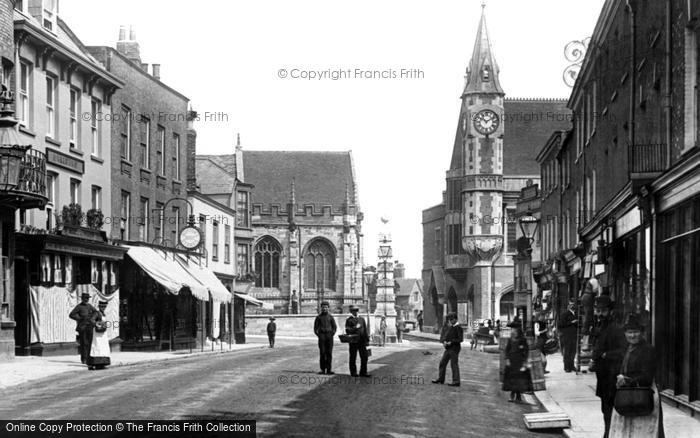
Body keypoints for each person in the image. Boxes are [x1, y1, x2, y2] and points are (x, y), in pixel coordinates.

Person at [609, 313, 664, 438]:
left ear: (641, 332)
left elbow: (648, 376)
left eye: (635, 332)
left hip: (644, 395)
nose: (632, 335)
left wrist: (627, 380)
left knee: (643, 432)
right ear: (625, 334)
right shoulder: (626, 348)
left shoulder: (648, 350)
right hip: (626, 396)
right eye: (629, 332)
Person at [590, 296, 626, 438]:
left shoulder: (616, 328)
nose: (599, 314)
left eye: (603, 311)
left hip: (613, 374)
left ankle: (610, 434)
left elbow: (623, 351)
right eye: (597, 310)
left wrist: (605, 355)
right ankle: (608, 432)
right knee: (605, 407)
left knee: (611, 406)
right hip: (603, 374)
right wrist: (594, 359)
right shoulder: (599, 326)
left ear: (610, 311)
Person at [431, 312, 463, 387]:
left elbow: (460, 339)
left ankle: (456, 381)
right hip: (448, 348)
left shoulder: (458, 327)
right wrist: (445, 341)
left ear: (455, 319)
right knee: (442, 363)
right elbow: (447, 336)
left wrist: (451, 342)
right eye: (449, 320)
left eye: (451, 319)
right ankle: (441, 379)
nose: (450, 321)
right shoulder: (452, 327)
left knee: (454, 364)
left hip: (454, 348)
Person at [502, 326, 531, 403]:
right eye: (513, 332)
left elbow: (526, 350)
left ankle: (518, 396)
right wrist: (507, 359)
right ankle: (512, 395)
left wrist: (525, 361)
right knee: (512, 379)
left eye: (515, 331)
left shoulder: (522, 340)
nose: (513, 333)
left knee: (519, 379)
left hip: (519, 361)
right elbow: (507, 350)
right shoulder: (510, 340)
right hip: (512, 361)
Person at [69, 292, 98, 365]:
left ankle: (89, 358)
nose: (86, 300)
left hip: (90, 326)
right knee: (84, 343)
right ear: (82, 299)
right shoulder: (79, 306)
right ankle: (84, 359)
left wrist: (93, 318)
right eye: (85, 298)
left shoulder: (89, 306)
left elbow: (96, 312)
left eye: (87, 298)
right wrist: (79, 318)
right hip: (83, 327)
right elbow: (71, 314)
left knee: (90, 343)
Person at [345, 305, 370, 377]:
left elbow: (365, 330)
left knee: (364, 357)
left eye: (356, 310)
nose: (355, 312)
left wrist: (367, 340)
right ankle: (353, 372)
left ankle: (363, 372)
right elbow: (347, 331)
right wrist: (355, 328)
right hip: (353, 341)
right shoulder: (349, 320)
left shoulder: (362, 319)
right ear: (351, 312)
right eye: (353, 311)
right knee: (353, 357)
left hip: (362, 341)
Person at [87, 300, 112, 370]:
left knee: (103, 347)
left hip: (103, 333)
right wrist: (97, 324)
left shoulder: (103, 314)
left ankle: (102, 363)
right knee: (97, 346)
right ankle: (95, 363)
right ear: (99, 306)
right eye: (102, 306)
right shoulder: (97, 313)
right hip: (97, 333)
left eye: (104, 307)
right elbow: (92, 320)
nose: (103, 308)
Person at [314, 301, 336, 374]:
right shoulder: (318, 317)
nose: (325, 309)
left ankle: (329, 369)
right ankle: (323, 369)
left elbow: (334, 327)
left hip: (329, 336)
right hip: (322, 337)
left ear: (328, 308)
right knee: (322, 353)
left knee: (329, 353)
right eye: (323, 307)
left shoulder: (331, 317)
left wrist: (332, 333)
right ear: (321, 308)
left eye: (326, 307)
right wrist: (319, 335)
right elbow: (315, 328)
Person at [558, 299, 578, 372]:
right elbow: (560, 325)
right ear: (568, 306)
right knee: (567, 352)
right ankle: (566, 367)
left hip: (574, 335)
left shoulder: (575, 314)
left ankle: (571, 366)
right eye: (570, 304)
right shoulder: (565, 314)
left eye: (573, 304)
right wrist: (572, 322)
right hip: (567, 336)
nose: (572, 306)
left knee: (573, 351)